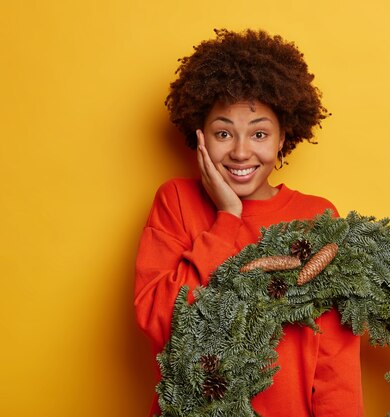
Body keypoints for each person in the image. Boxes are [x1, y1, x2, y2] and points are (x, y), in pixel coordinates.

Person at [134, 29, 363, 417]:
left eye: (259, 133)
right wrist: (227, 219)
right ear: (200, 136)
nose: (240, 152)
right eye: (224, 133)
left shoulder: (315, 216)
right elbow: (161, 321)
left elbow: (335, 355)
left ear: (281, 139)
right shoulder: (175, 201)